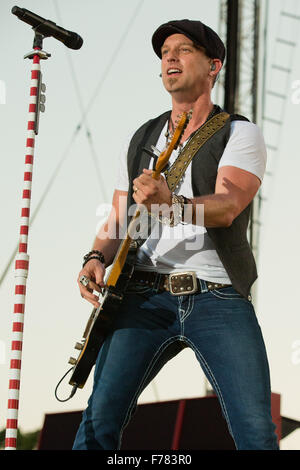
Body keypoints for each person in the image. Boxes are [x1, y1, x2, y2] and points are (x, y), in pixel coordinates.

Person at [73, 19, 279, 450]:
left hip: (217, 296)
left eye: (183, 49)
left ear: (213, 66)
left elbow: (227, 207)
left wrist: (170, 202)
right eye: (165, 51)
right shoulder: (141, 139)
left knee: (256, 433)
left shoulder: (239, 132)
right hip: (142, 295)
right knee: (97, 424)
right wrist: (94, 256)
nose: (170, 57)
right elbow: (117, 218)